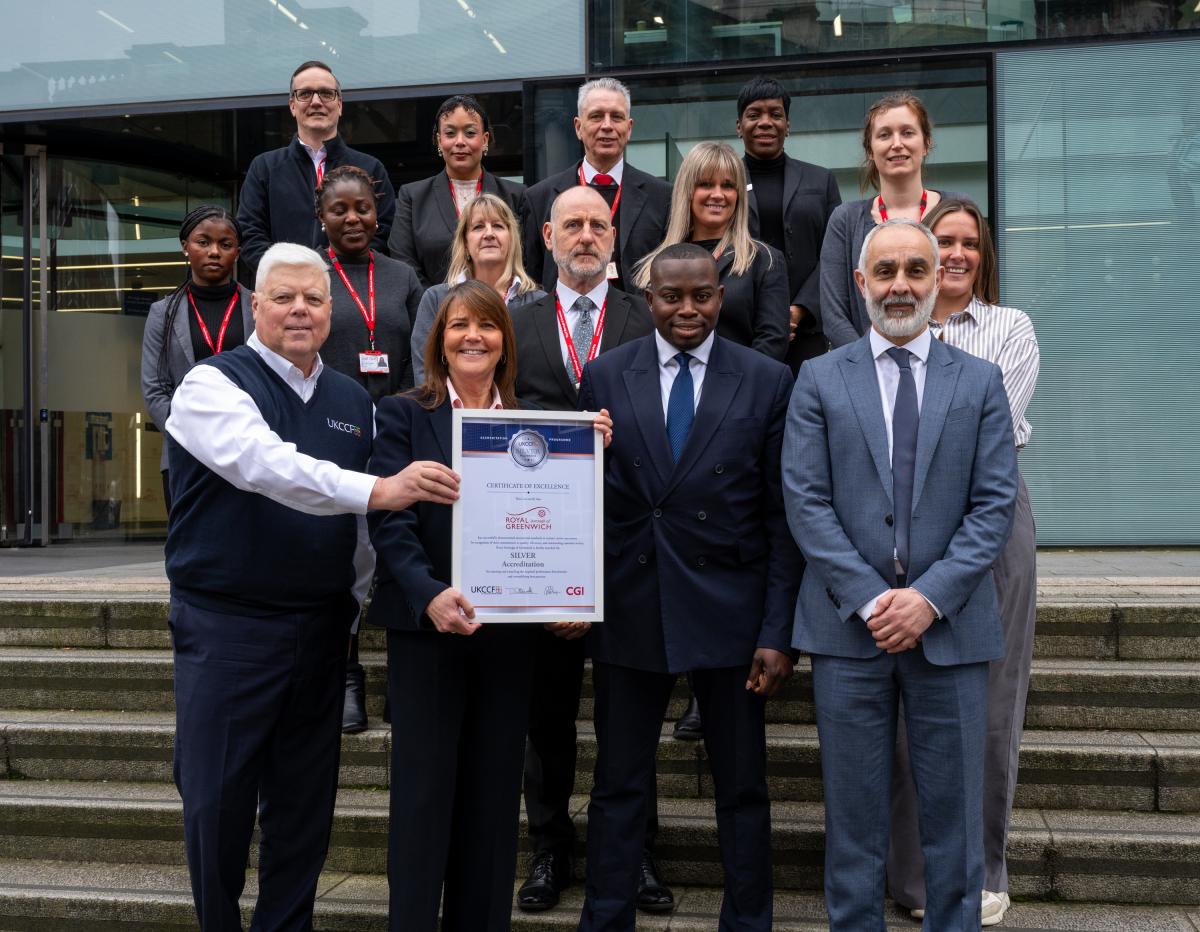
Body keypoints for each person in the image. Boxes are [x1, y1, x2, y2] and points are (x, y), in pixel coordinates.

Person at [163, 241, 460, 932]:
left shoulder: (353, 399)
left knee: (303, 810)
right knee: (217, 803)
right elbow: (268, 466)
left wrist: (351, 610)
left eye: (315, 298)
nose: (300, 310)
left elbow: (360, 532)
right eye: (285, 297)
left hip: (321, 630)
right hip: (227, 627)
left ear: (333, 311)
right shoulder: (211, 385)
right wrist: (382, 487)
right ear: (255, 305)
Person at [783, 219, 1018, 931]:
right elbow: (805, 499)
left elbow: (994, 504)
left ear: (939, 277)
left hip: (950, 632)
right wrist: (869, 598)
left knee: (954, 826)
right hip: (847, 633)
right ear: (860, 283)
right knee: (853, 825)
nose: (901, 285)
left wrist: (928, 600)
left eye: (916, 269)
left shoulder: (979, 381)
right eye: (885, 272)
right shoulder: (819, 378)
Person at [367, 279, 611, 932]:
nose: (472, 336)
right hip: (427, 634)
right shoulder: (402, 415)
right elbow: (390, 525)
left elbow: (566, 514)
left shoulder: (537, 424)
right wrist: (429, 595)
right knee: (421, 804)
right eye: (458, 326)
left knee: (494, 802)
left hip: (507, 639)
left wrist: (589, 450)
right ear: (437, 342)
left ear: (505, 341)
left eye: (487, 325)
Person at [577, 243, 801, 932]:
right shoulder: (606, 375)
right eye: (672, 297)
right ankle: (605, 919)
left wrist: (776, 632)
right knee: (617, 786)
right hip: (631, 605)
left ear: (721, 295)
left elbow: (781, 516)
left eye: (701, 295)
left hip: (729, 612)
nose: (687, 310)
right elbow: (585, 499)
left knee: (742, 789)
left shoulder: (765, 379)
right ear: (648, 301)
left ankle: (748, 921)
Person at [886, 197, 1040, 928]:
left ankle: (983, 871)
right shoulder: (891, 321)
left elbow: (989, 431)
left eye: (967, 244)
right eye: (940, 241)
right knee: (907, 700)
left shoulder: (1010, 328)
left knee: (990, 701)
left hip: (990, 520)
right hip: (898, 524)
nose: (953, 255)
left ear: (984, 256)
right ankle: (913, 876)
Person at [510, 185, 662, 914]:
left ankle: (633, 856)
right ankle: (549, 847)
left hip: (632, 545)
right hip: (543, 544)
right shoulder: (515, 320)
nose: (585, 235)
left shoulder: (647, 317)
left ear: (614, 237)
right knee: (548, 713)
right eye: (571, 224)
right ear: (546, 234)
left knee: (630, 714)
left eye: (597, 224)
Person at [315, 163, 424, 734]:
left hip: (397, 430)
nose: (353, 218)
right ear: (322, 216)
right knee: (349, 559)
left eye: (362, 208)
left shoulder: (403, 275)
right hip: (333, 432)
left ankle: (404, 675)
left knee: (398, 550)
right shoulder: (312, 274)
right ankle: (349, 676)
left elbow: (417, 359)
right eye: (341, 209)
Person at [819, 91, 966, 348]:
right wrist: (873, 364)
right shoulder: (845, 220)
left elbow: (979, 296)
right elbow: (834, 317)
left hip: (951, 364)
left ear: (926, 142)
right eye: (885, 135)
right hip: (866, 370)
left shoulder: (958, 210)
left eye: (907, 133)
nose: (896, 144)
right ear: (870, 150)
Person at [238, 60, 396, 278]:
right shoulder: (264, 168)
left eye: (325, 93)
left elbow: (385, 231)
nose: (315, 102)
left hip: (354, 289)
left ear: (339, 104)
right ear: (292, 105)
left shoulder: (371, 168)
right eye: (305, 94)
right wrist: (289, 275)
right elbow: (250, 234)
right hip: (285, 291)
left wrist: (342, 274)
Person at [141, 206, 253, 512]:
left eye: (225, 244)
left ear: (238, 252)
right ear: (185, 248)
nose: (214, 252)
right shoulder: (162, 314)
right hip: (185, 453)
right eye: (203, 242)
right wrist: (191, 435)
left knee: (250, 547)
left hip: (250, 449)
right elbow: (155, 389)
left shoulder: (260, 308)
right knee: (190, 549)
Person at [635, 141, 790, 362]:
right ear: (687, 191)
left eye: (728, 186)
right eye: (706, 184)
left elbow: (772, 342)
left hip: (739, 389)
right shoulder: (654, 265)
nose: (718, 195)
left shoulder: (764, 261)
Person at [519, 77, 671, 293]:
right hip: (562, 323)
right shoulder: (539, 199)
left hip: (638, 322)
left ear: (629, 129)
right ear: (579, 127)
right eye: (596, 116)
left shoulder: (662, 198)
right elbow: (532, 281)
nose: (607, 126)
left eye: (616, 117)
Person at [735, 76, 842, 368]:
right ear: (739, 126)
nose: (765, 122)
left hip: (806, 332)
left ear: (788, 125)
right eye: (754, 115)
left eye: (776, 114)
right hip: (740, 329)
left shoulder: (821, 180)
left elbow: (834, 255)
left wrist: (798, 311)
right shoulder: (722, 183)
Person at [388, 94, 526, 288]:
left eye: (470, 133)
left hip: (505, 310)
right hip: (437, 313)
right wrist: (441, 306)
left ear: (485, 140)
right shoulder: (413, 197)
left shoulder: (516, 196)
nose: (460, 142)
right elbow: (404, 264)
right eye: (450, 133)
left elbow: (527, 262)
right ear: (439, 140)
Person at [411, 193, 544, 383]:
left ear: (511, 239)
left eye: (498, 226)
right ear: (465, 242)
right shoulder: (435, 299)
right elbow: (426, 373)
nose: (489, 234)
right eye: (478, 226)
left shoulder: (539, 302)